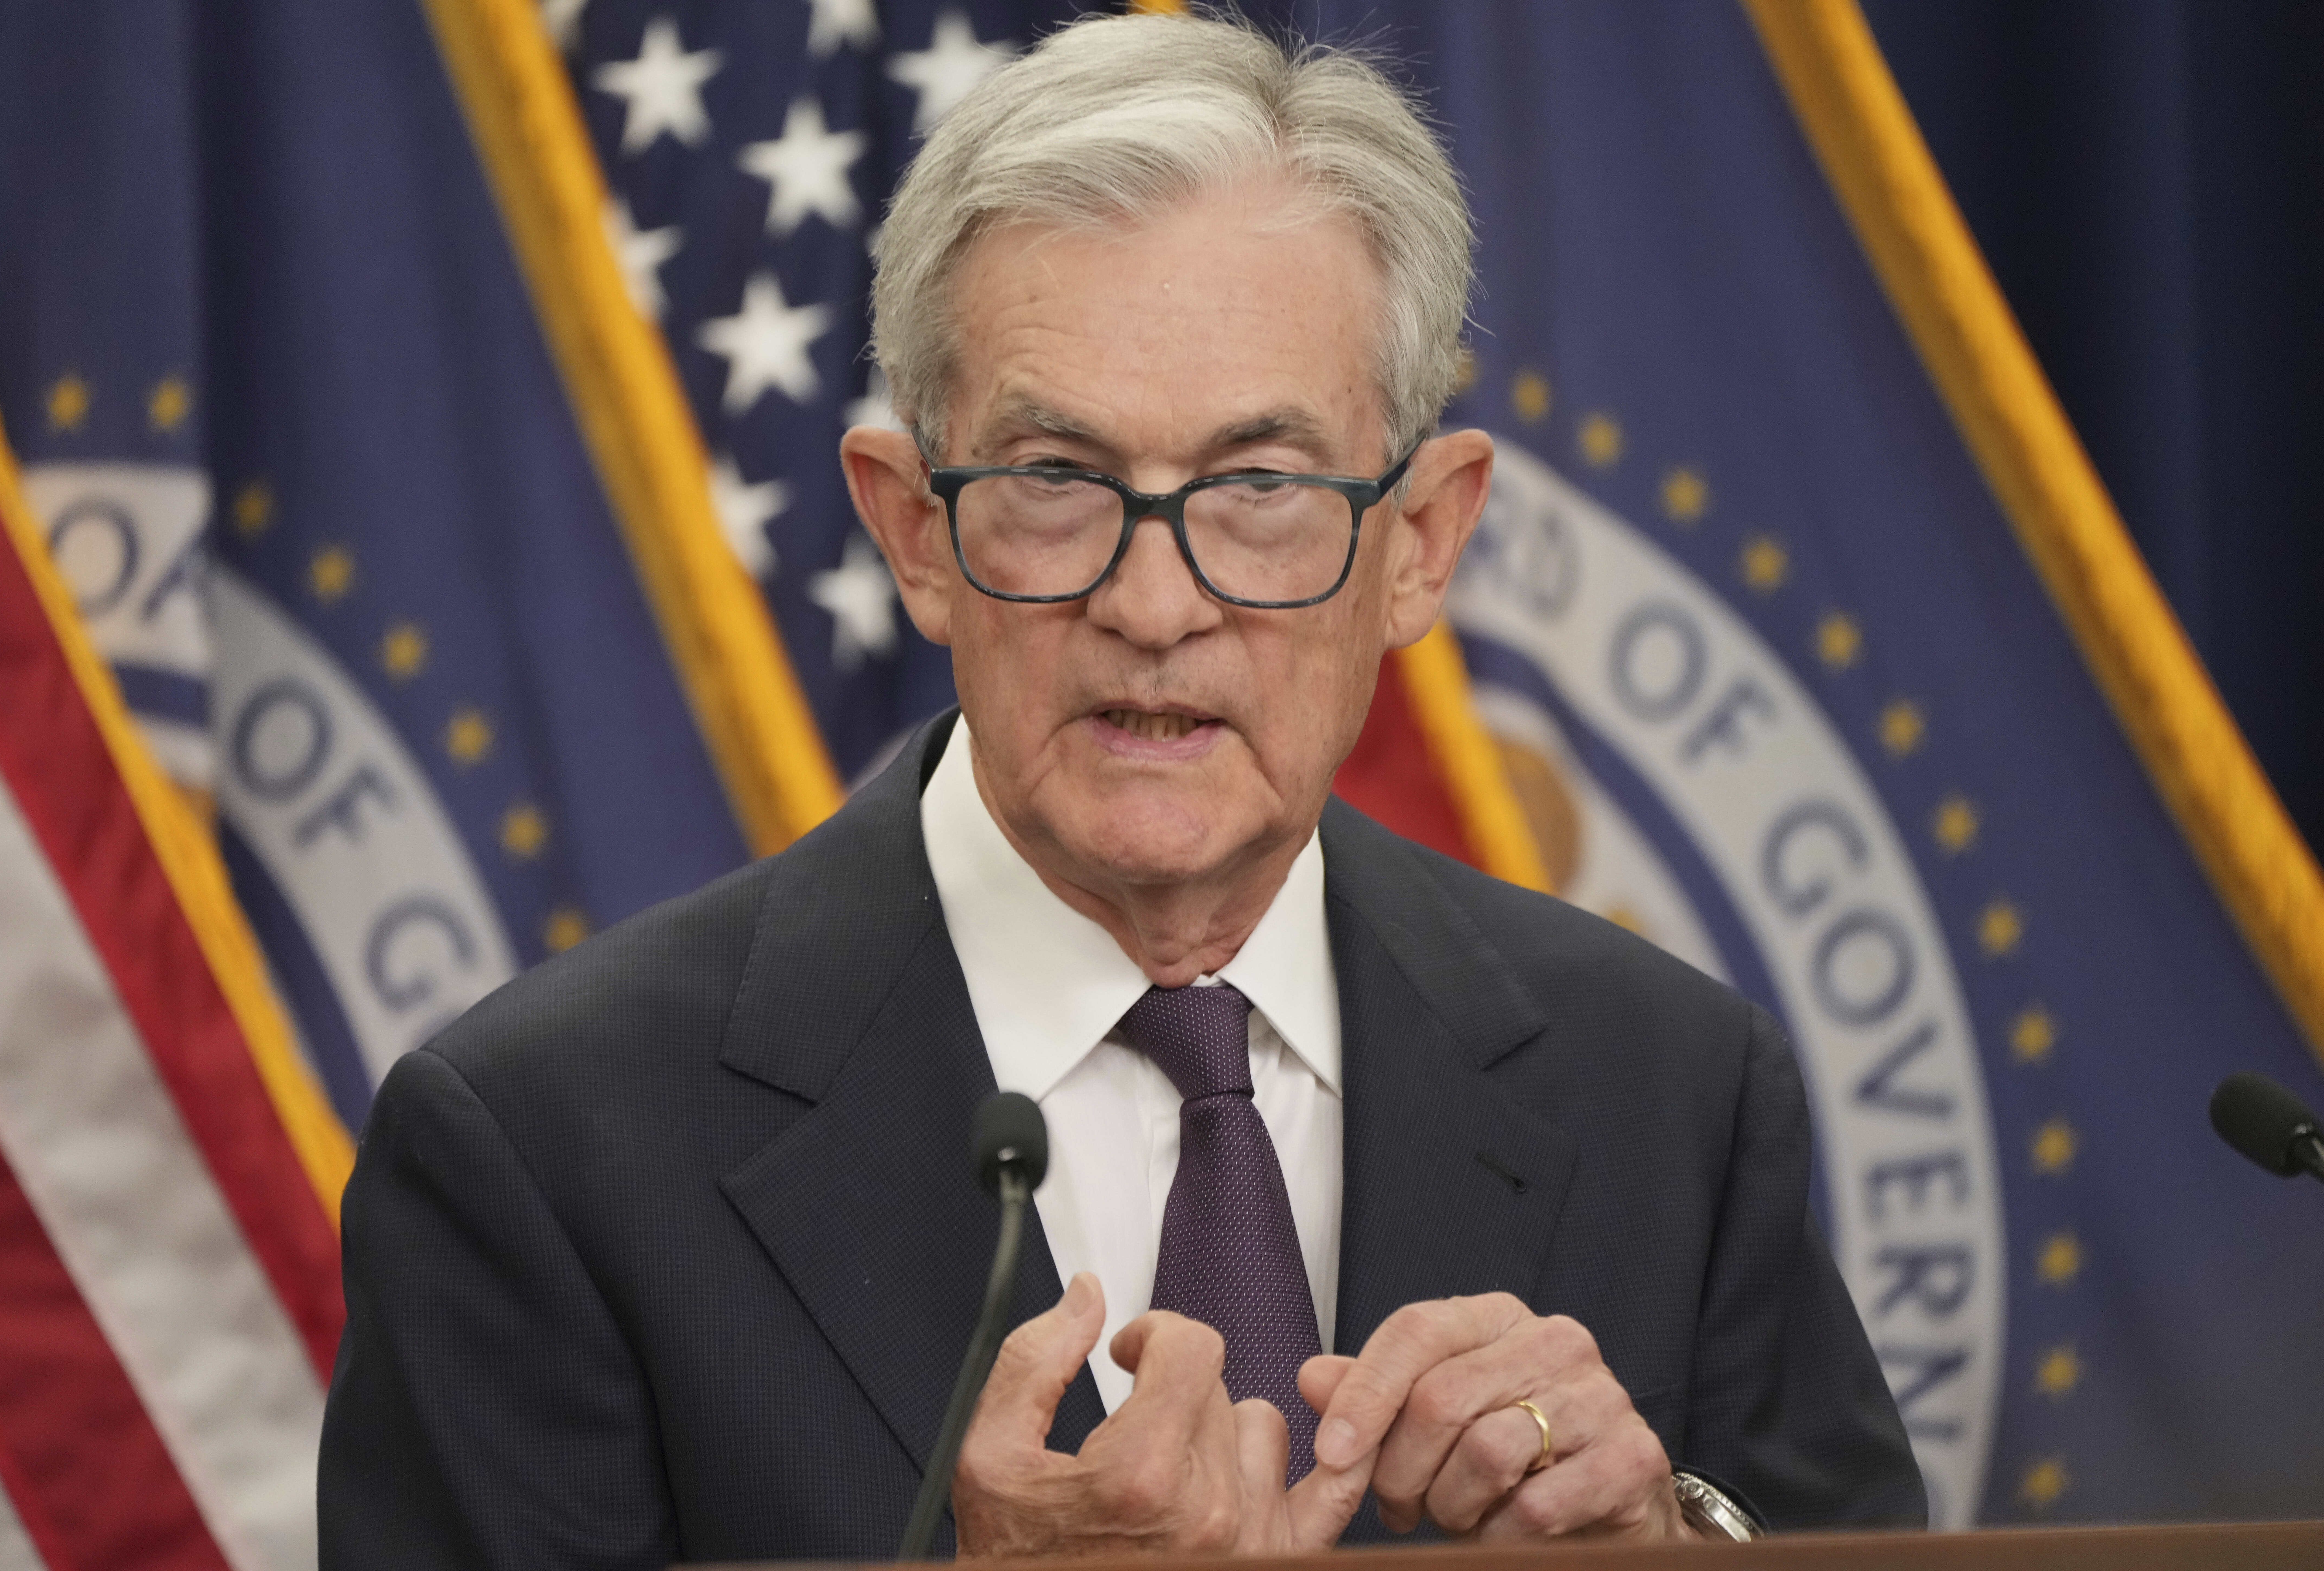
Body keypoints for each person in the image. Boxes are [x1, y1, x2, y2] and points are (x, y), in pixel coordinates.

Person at [319, 12, 1925, 1566]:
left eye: (1261, 490)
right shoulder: (545, 1149)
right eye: (1056, 484)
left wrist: (1668, 1549)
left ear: (1421, 542)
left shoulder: (1670, 1088)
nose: (1156, 608)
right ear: (913, 531)